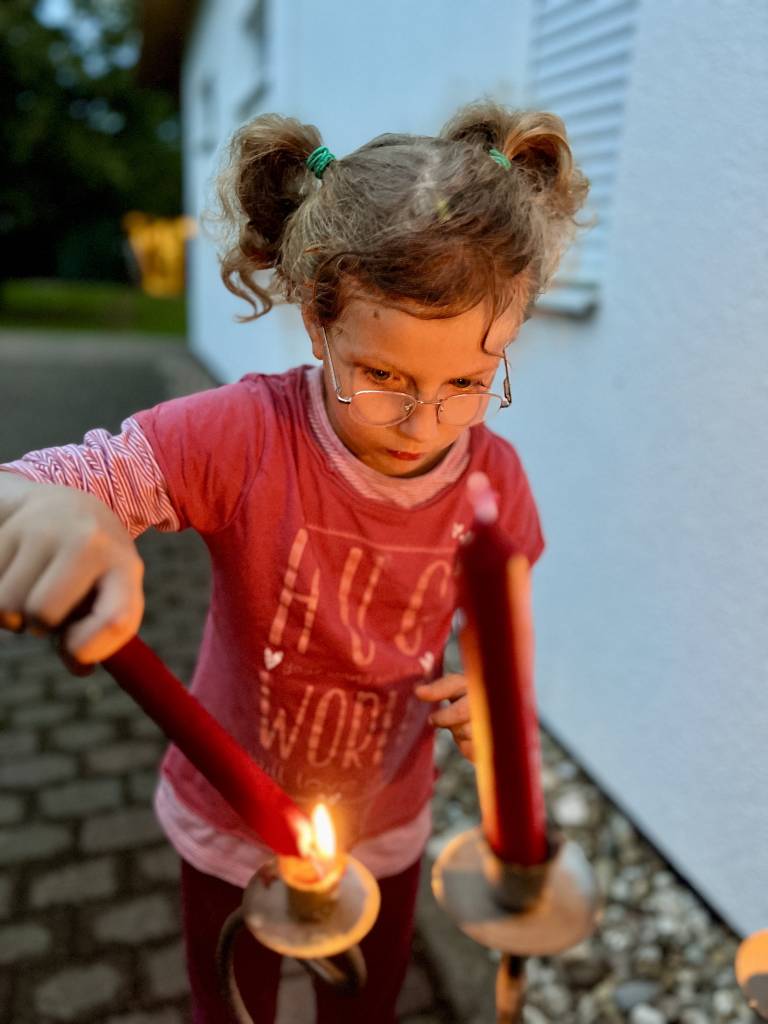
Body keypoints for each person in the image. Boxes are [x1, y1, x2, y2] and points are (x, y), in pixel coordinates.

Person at [0, 101, 589, 1022]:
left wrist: (483, 692)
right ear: (318, 321)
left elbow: (495, 635)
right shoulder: (244, 435)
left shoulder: (496, 483)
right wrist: (57, 508)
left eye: (470, 383)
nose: (424, 421)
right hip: (230, 819)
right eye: (383, 375)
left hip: (390, 818)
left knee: (367, 1004)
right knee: (229, 1003)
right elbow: (47, 482)